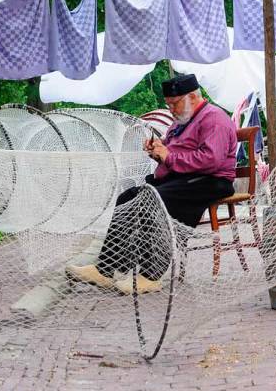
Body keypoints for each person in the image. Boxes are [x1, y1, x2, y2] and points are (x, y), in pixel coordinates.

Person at [67, 74, 238, 294]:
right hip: (183, 177)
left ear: (194, 97)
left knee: (150, 200)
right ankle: (105, 270)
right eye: (169, 105)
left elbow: (211, 160)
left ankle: (151, 276)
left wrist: (168, 157)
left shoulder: (214, 118)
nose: (172, 110)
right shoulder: (182, 122)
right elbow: (171, 151)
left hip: (211, 180)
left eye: (175, 104)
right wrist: (157, 151)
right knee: (128, 197)